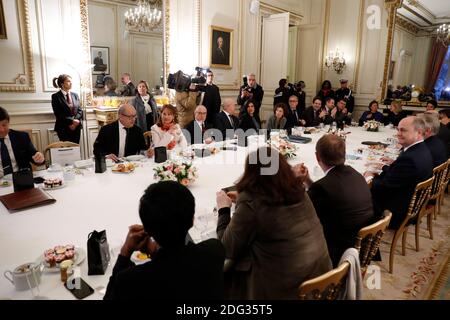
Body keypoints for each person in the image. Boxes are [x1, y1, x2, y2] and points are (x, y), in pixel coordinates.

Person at [216, 147, 331, 299]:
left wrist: (223, 210)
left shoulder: (252, 203)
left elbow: (226, 248)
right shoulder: (299, 190)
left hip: (285, 290)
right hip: (321, 280)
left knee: (223, 272)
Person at [104, 181, 225, 300]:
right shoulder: (214, 251)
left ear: (147, 229)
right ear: (192, 220)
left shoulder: (131, 280)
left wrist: (125, 252)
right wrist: (154, 252)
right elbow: (176, 264)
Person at [293, 134, 374, 267]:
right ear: (344, 154)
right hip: (363, 242)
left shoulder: (323, 187)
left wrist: (294, 181)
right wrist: (307, 180)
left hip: (339, 250)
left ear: (317, 157)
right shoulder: (355, 173)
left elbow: (299, 212)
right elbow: (328, 192)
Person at [366, 116, 433, 229]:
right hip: (406, 200)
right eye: (398, 129)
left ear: (419, 133)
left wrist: (369, 178)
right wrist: (383, 169)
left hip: (397, 211)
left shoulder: (410, 159)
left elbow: (383, 188)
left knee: (353, 196)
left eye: (403, 130)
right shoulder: (421, 149)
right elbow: (400, 174)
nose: (398, 133)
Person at [0, 107, 44, 177]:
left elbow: (35, 157)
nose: (1, 130)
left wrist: (39, 158)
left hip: (21, 181)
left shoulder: (21, 137)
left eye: (4, 125)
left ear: (9, 123)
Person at [51, 74, 83, 143]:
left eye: (71, 81)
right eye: (68, 81)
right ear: (62, 84)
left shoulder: (75, 95)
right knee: (66, 150)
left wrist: (76, 122)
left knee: (76, 148)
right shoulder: (56, 96)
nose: (71, 83)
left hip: (76, 128)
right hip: (63, 128)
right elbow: (58, 114)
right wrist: (72, 121)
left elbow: (80, 110)